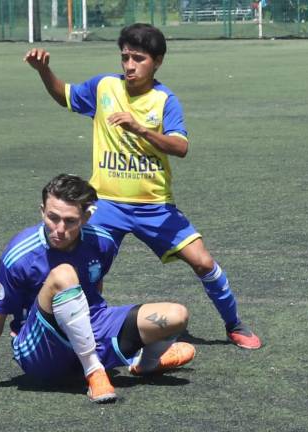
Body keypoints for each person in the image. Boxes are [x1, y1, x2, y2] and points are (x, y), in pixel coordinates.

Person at [24, 24, 261, 350]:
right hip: (105, 203)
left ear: (158, 61)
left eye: (139, 58)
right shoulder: (104, 87)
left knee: (203, 262)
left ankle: (234, 324)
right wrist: (44, 71)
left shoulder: (165, 101)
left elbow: (180, 147)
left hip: (154, 207)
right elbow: (64, 95)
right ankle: (47, 323)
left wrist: (140, 129)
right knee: (77, 262)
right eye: (125, 57)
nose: (130, 65)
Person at [0, 174, 196, 403]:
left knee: (176, 315)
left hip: (90, 324)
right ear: (42, 211)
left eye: (70, 221)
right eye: (52, 217)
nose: (59, 228)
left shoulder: (103, 242)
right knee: (63, 274)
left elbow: (95, 284)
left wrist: (102, 328)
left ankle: (145, 365)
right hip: (39, 348)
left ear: (86, 218)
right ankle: (94, 371)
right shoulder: (19, 254)